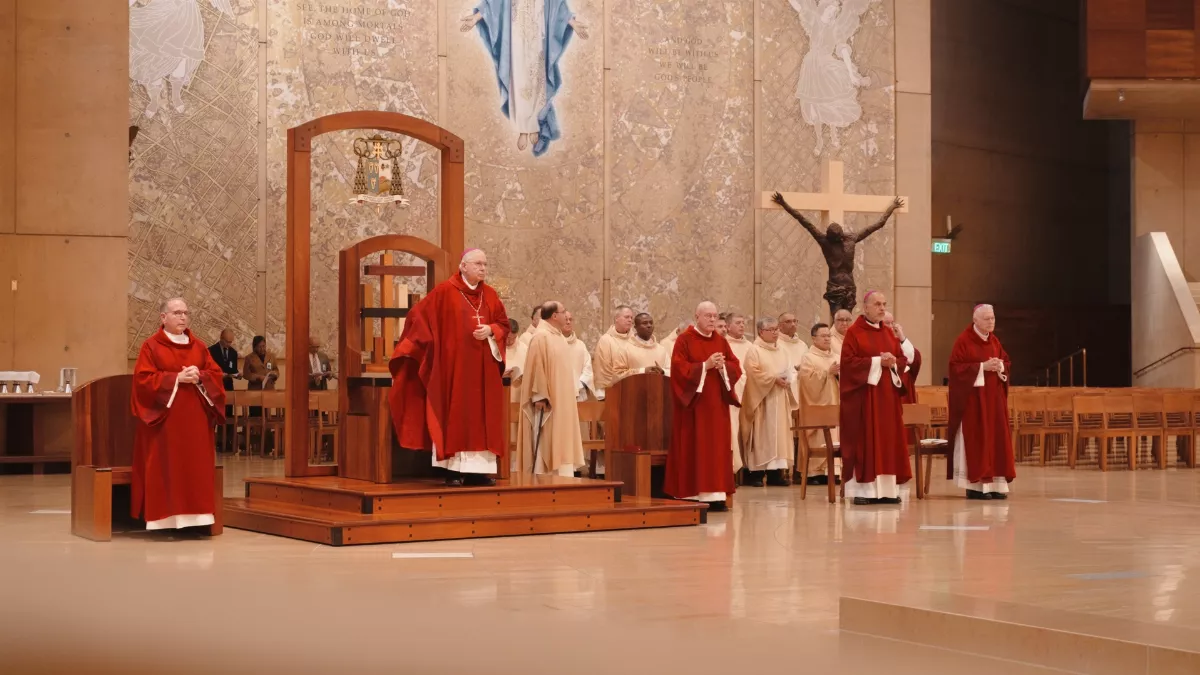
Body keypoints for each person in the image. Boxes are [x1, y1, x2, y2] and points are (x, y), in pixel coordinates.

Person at [389, 249, 511, 487]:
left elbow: (503, 324)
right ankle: (453, 471)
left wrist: (491, 331)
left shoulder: (491, 295)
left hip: (482, 371)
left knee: (481, 419)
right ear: (463, 266)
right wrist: (418, 347)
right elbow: (418, 316)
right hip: (453, 368)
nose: (483, 268)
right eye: (478, 264)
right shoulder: (445, 292)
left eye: (485, 264)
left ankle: (479, 473)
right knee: (454, 414)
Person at [130, 297, 225, 531]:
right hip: (166, 421)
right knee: (167, 466)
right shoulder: (151, 346)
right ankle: (164, 519)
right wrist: (175, 378)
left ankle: (200, 518)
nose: (183, 317)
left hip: (195, 420)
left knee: (195, 468)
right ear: (163, 317)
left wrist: (201, 375)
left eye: (185, 312)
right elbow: (142, 380)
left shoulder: (199, 346)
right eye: (177, 313)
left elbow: (215, 374)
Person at [461, 0, 589, 156]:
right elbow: (495, 4)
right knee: (518, 82)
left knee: (537, 82)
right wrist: (475, 18)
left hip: (538, 41)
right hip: (516, 40)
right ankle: (523, 128)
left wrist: (573, 23)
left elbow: (557, 6)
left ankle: (533, 124)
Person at [664, 302, 743, 511]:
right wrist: (704, 366)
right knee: (695, 447)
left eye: (715, 316)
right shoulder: (684, 340)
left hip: (716, 406)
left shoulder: (720, 341)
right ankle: (692, 495)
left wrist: (723, 367)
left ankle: (716, 495)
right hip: (694, 407)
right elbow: (679, 370)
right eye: (707, 315)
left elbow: (736, 366)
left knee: (716, 450)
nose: (712, 320)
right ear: (696, 316)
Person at [839, 291, 911, 505]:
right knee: (866, 440)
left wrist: (892, 362)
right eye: (877, 304)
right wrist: (877, 362)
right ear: (865, 308)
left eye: (884, 304)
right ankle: (863, 491)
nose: (881, 308)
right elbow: (848, 364)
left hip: (887, 399)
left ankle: (887, 491)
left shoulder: (889, 334)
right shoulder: (854, 333)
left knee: (888, 441)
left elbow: (902, 359)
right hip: (864, 399)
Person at [947, 304, 1015, 500]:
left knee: (995, 441)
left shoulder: (994, 341)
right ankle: (976, 486)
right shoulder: (963, 341)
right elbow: (955, 369)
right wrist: (981, 367)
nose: (991, 321)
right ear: (975, 320)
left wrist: (1000, 365)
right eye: (986, 318)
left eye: (992, 318)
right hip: (973, 404)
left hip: (993, 402)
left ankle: (996, 485)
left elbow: (1006, 362)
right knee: (977, 440)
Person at [517, 301, 585, 475]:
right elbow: (536, 367)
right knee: (548, 438)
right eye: (563, 313)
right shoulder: (541, 336)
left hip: (563, 402)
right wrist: (539, 396)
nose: (566, 316)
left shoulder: (558, 336)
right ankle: (543, 478)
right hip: (548, 403)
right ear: (555, 316)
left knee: (563, 438)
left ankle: (564, 474)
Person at [739, 317, 798, 487]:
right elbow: (752, 372)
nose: (775, 333)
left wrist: (789, 380)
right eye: (771, 330)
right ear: (760, 332)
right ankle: (756, 474)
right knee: (762, 436)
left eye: (776, 329)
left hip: (780, 398)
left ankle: (776, 474)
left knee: (779, 436)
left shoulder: (783, 350)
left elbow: (791, 370)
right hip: (762, 400)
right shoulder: (754, 350)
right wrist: (773, 379)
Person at [798, 322, 840, 485]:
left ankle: (833, 470)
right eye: (823, 336)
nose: (827, 339)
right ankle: (815, 473)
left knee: (836, 434)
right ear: (814, 339)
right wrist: (827, 373)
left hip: (835, 403)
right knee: (819, 436)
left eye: (829, 335)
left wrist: (838, 376)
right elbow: (807, 382)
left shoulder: (836, 357)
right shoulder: (808, 357)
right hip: (817, 404)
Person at [724, 313, 752, 475]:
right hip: (733, 392)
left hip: (750, 393)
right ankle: (733, 467)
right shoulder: (723, 344)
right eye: (738, 323)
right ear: (728, 326)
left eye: (743, 323)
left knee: (748, 430)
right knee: (733, 429)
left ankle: (749, 469)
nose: (742, 326)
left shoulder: (750, 346)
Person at [592, 305, 634, 398]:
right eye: (627, 317)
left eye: (631, 317)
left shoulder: (635, 340)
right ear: (616, 319)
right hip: (612, 391)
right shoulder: (606, 340)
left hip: (633, 389)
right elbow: (604, 369)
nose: (630, 320)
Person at [612, 312, 667, 377]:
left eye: (651, 323)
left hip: (657, 386)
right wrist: (643, 371)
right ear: (635, 327)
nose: (649, 325)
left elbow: (671, 370)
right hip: (634, 386)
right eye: (644, 323)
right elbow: (618, 374)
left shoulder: (661, 349)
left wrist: (663, 371)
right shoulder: (624, 348)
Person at [562, 311, 596, 401]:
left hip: (579, 394)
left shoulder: (580, 345)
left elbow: (588, 369)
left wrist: (579, 386)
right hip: (559, 394)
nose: (568, 322)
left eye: (570, 319)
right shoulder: (552, 343)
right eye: (565, 319)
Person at [503, 318, 528, 402]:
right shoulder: (494, 348)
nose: (510, 341)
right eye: (508, 337)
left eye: (514, 338)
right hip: (501, 392)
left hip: (518, 395)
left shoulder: (524, 348)